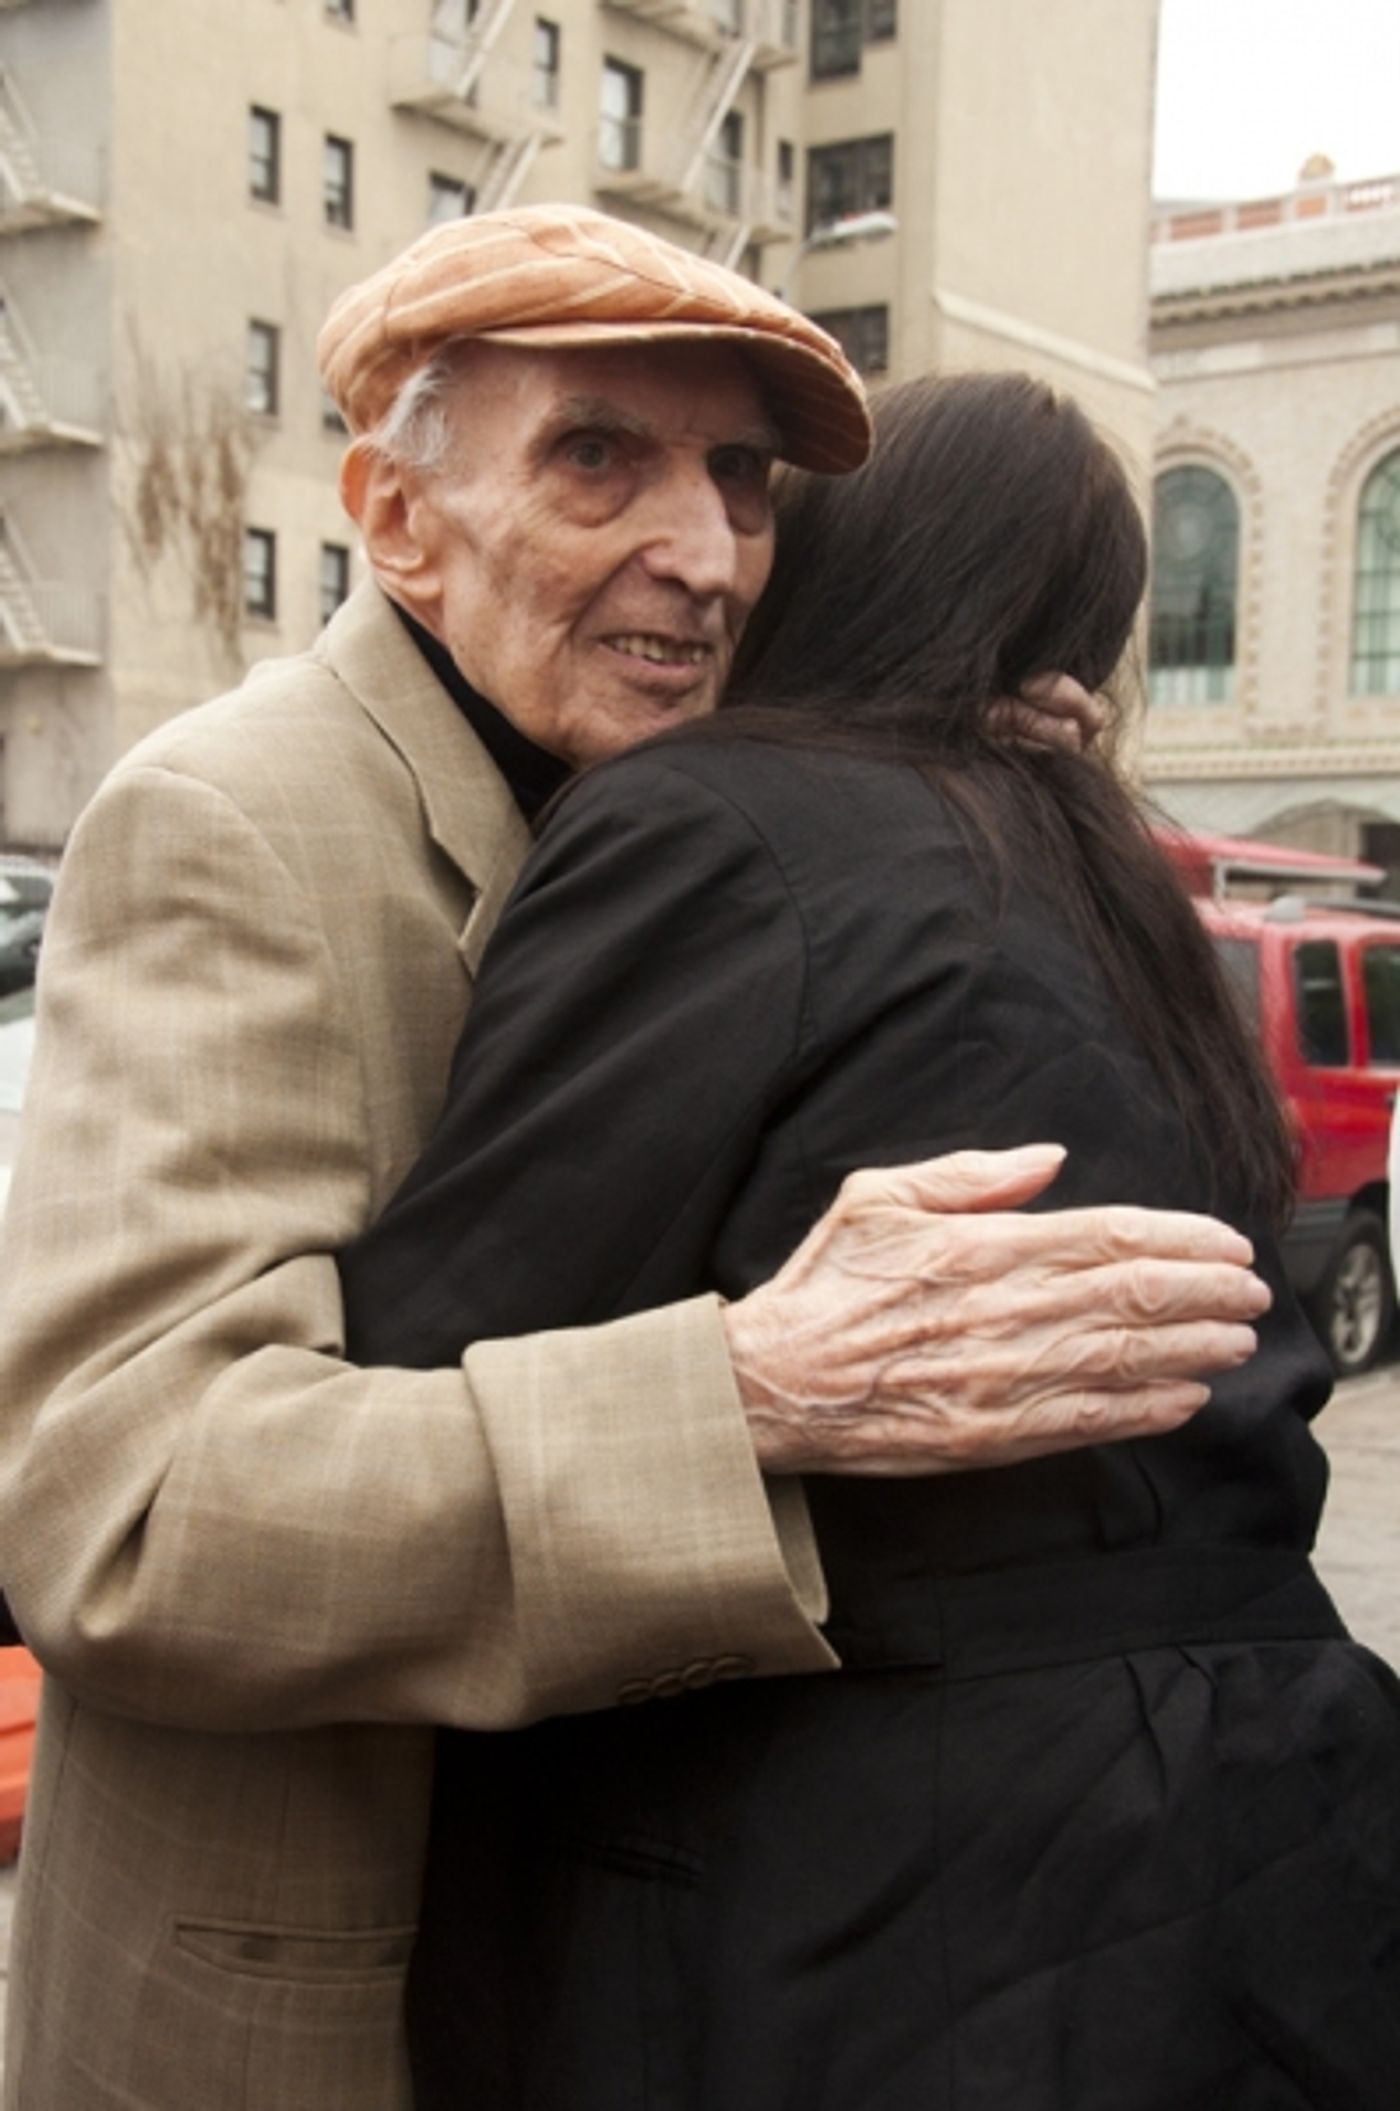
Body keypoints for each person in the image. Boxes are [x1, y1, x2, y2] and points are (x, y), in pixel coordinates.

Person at [0, 210, 1266, 2111]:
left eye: (742, 479)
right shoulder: (232, 818)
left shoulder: (687, 781)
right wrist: (751, 1391)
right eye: (599, 456)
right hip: (324, 1998)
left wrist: (971, 746)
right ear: (398, 516)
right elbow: (129, 1515)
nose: (703, 551)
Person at [339, 370, 1400, 2108]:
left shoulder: (721, 824)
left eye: (750, 491)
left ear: (830, 555)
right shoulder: (1118, 879)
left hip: (880, 1885)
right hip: (1260, 1833)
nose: (706, 558)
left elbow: (425, 1365)